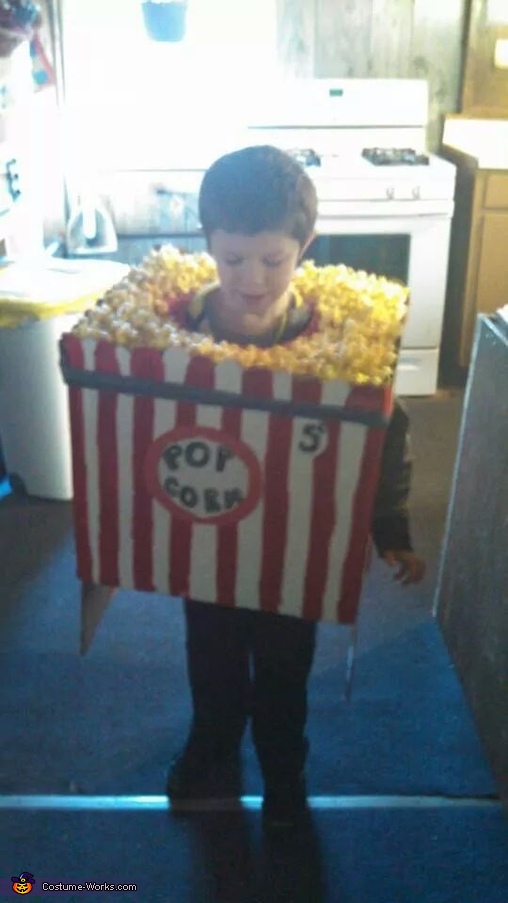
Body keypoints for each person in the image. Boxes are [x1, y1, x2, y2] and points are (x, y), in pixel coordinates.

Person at [166, 145, 426, 830]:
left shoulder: (334, 338)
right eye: (233, 260)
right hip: (209, 541)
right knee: (212, 656)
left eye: (273, 261)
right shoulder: (178, 327)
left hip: (294, 549)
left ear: (305, 247)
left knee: (284, 668)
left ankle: (285, 769)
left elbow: (383, 431)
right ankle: (212, 746)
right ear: (208, 246)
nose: (251, 279)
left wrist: (389, 526)